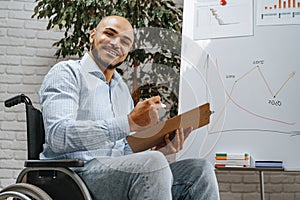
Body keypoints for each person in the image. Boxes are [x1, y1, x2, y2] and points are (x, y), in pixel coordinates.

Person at [39, 15, 220, 200]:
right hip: (75, 174)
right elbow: (58, 135)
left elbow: (122, 149)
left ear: (127, 51)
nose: (116, 43)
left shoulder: (121, 89)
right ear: (92, 35)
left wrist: (161, 150)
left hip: (115, 172)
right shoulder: (67, 73)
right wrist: (129, 122)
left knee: (200, 171)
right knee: (152, 164)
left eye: (125, 41)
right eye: (109, 34)